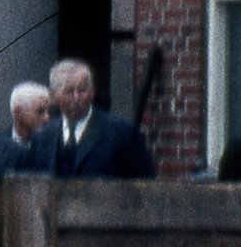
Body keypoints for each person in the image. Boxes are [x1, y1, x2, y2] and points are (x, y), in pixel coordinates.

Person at [20, 57, 155, 179]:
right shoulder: (42, 139)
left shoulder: (121, 133)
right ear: (53, 95)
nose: (77, 98)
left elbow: (144, 184)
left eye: (82, 90)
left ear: (92, 92)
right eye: (69, 91)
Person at [8, 81, 52, 150]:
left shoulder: (53, 147)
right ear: (18, 113)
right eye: (40, 112)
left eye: (48, 112)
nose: (47, 118)